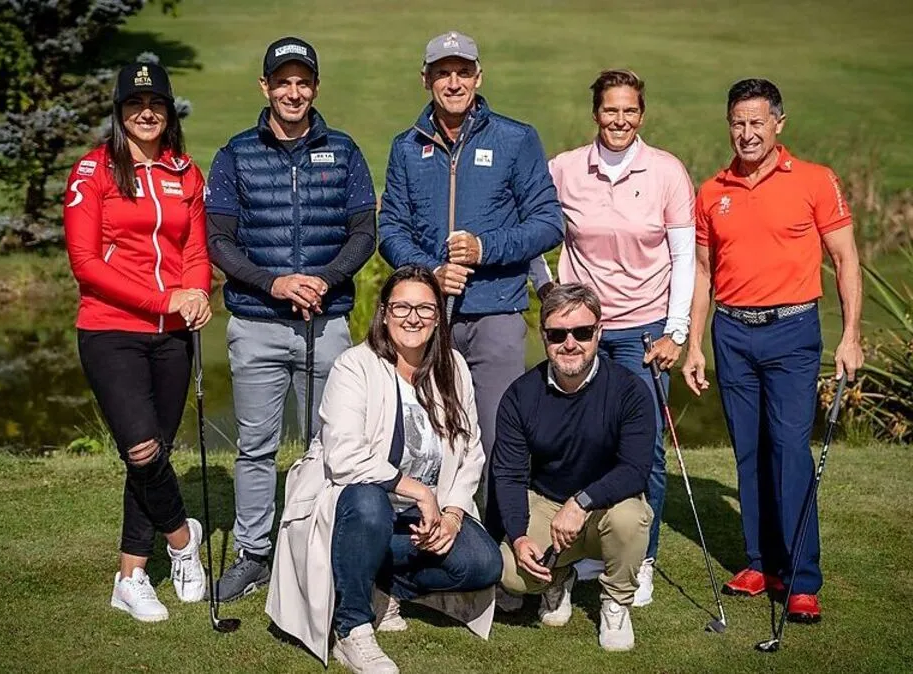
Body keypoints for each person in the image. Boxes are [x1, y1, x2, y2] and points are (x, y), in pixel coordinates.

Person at [682, 78, 864, 623]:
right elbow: (702, 272)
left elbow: (846, 260)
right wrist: (694, 343)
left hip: (792, 331)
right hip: (732, 334)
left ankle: (802, 578)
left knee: (788, 450)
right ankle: (760, 561)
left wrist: (851, 335)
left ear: (778, 124)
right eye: (738, 122)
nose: (746, 133)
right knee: (747, 450)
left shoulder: (813, 180)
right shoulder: (713, 190)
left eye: (757, 122)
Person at [205, 37, 378, 602]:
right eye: (283, 81)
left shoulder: (345, 151)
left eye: (304, 82)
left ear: (316, 88)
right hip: (255, 323)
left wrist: (323, 280)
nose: (294, 92)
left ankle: (327, 546)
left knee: (334, 442)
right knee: (255, 447)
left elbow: (363, 233)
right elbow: (220, 242)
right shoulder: (235, 154)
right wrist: (274, 282)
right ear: (266, 87)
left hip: (326, 326)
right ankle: (255, 554)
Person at [266, 266, 502, 673]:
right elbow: (344, 458)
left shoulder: (454, 367)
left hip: (416, 519)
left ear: (438, 316)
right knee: (370, 502)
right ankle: (352, 628)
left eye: (425, 308)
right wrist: (422, 492)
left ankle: (380, 585)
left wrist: (452, 514)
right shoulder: (354, 366)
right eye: (402, 307)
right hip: (354, 508)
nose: (413, 318)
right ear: (384, 312)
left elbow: (472, 451)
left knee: (482, 563)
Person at [63, 61, 211, 622]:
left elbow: (194, 252)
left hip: (173, 338)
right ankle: (180, 541)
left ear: (168, 111)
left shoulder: (184, 172)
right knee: (142, 448)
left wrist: (195, 293)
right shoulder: (93, 170)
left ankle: (129, 576)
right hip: (110, 331)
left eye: (156, 104)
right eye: (134, 104)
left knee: (153, 454)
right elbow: (84, 264)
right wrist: (163, 300)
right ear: (120, 111)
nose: (146, 113)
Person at [546, 69, 696, 607]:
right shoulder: (564, 169)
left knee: (644, 449)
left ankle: (642, 557)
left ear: (642, 114)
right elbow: (535, 233)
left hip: (645, 330)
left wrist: (676, 332)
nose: (620, 120)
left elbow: (685, 258)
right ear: (596, 113)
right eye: (611, 110)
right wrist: (550, 296)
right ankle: (587, 549)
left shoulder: (667, 172)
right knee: (578, 443)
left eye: (630, 110)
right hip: (581, 329)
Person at [378, 30, 564, 467]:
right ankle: (432, 527)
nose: (454, 83)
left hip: (496, 312)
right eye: (443, 73)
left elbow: (548, 223)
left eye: (463, 72)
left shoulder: (515, 139)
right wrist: (429, 273)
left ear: (479, 77)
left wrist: (484, 248)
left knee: (498, 433)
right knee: (427, 435)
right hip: (423, 315)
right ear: (426, 79)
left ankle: (499, 530)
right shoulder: (406, 147)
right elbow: (390, 229)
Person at [492, 283, 656, 652]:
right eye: (558, 334)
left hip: (607, 507)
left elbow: (635, 469)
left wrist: (582, 502)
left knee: (632, 518)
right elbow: (510, 474)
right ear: (543, 334)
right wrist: (518, 536)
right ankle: (558, 577)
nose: (570, 343)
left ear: (599, 332)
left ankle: (615, 601)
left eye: (582, 332)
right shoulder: (520, 395)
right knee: (511, 574)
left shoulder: (630, 390)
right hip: (547, 503)